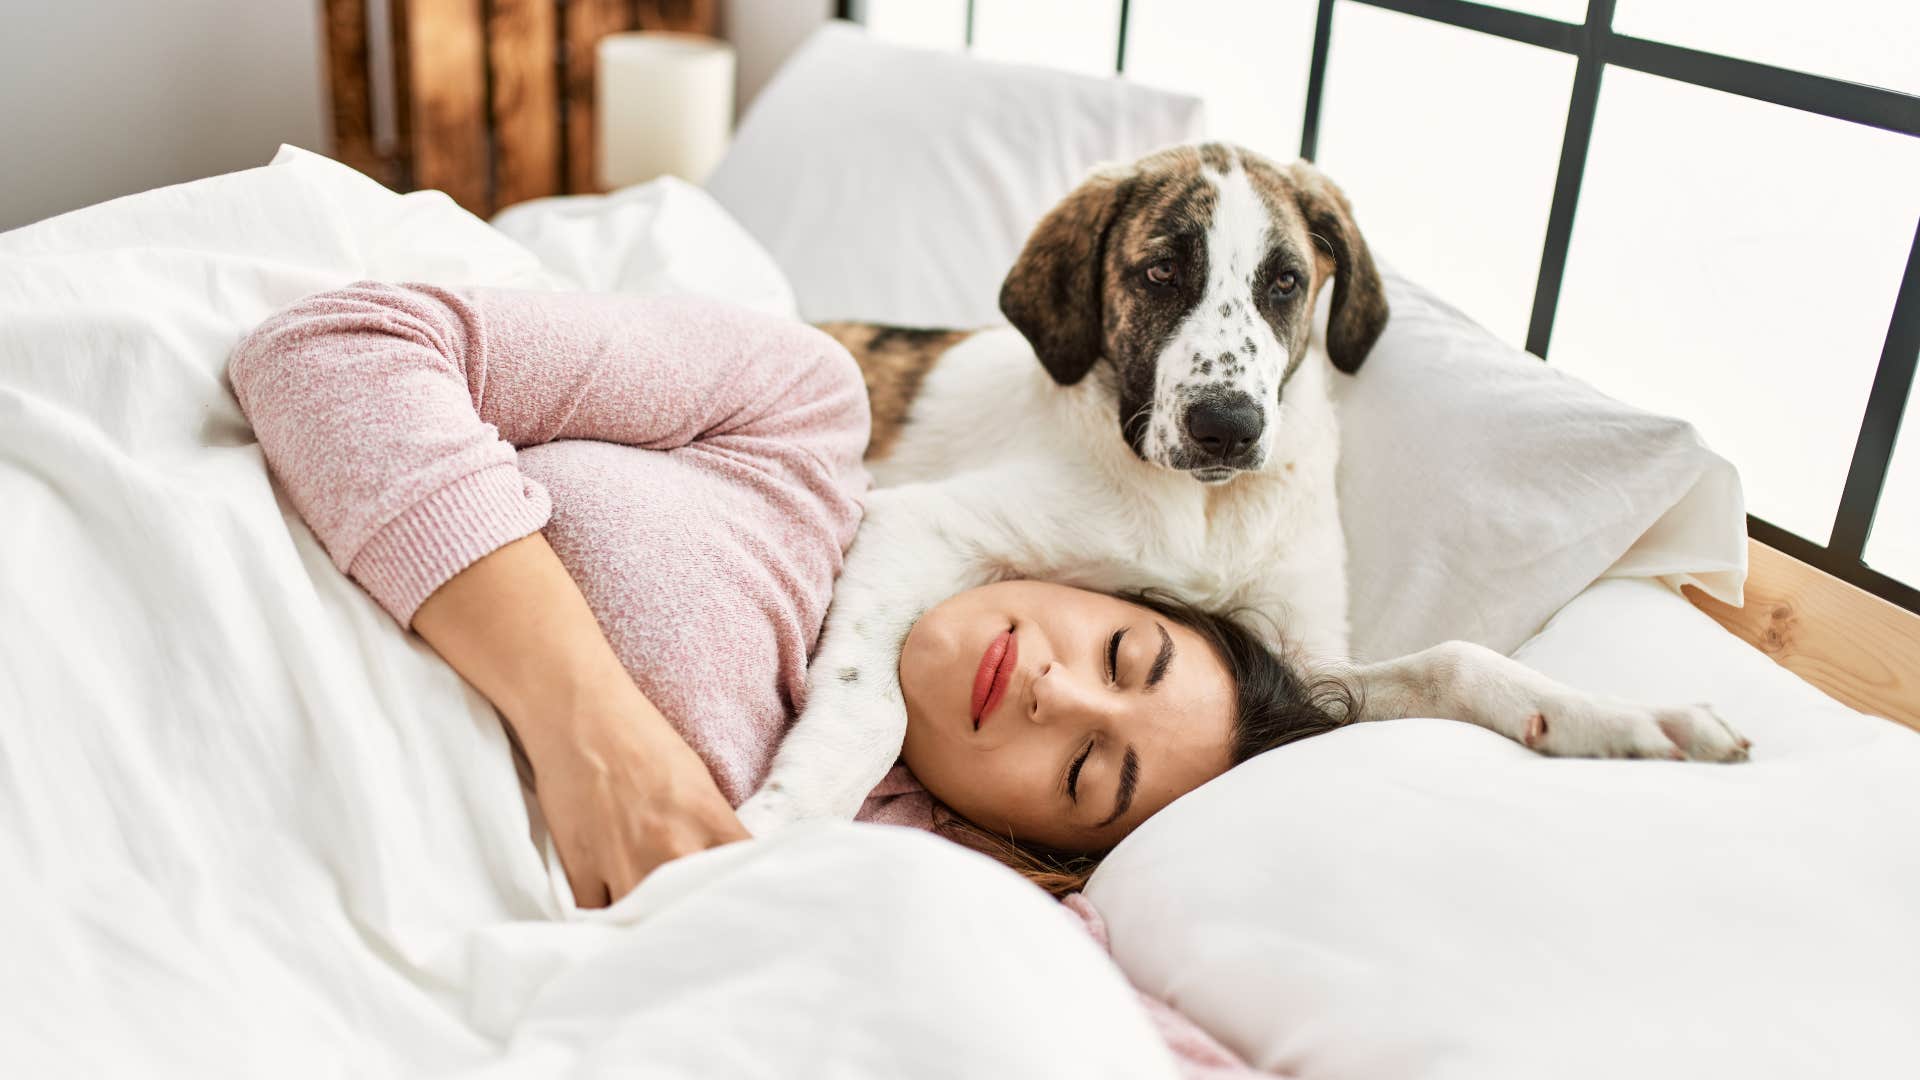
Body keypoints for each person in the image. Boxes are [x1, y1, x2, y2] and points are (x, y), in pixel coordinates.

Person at [227, 280, 1344, 907]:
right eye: (1121, 655)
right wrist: (597, 736)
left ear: (1029, 848)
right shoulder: (797, 421)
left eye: (1087, 772)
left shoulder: (886, 882)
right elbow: (336, 347)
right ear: (1098, 580)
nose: (1058, 694)